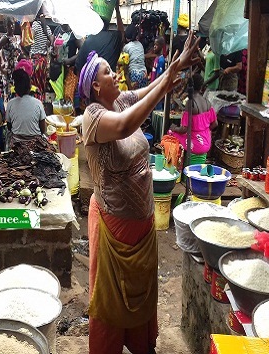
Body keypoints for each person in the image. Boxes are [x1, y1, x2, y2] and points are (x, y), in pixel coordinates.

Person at [78, 31, 200, 354]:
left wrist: (177, 68)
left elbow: (150, 93)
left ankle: (139, 344)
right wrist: (166, 79)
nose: (115, 74)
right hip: (114, 228)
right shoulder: (93, 117)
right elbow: (124, 127)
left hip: (142, 228)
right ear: (94, 86)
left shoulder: (120, 99)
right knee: (110, 302)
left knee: (140, 297)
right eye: (108, 72)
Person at [168, 73, 218, 163]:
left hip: (195, 144)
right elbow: (215, 124)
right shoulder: (207, 102)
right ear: (201, 87)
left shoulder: (190, 103)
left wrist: (174, 128)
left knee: (171, 133)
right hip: (206, 141)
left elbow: (184, 129)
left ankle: (177, 168)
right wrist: (204, 130)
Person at [75, 0, 124, 75]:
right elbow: (122, 33)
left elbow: (78, 71)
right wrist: (117, 10)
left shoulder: (88, 41)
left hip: (92, 85)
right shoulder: (113, 38)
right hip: (109, 83)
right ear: (108, 24)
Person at [6, 64, 46, 149]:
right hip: (36, 146)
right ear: (30, 87)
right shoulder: (38, 103)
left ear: (15, 89)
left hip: (17, 145)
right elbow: (43, 130)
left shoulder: (10, 103)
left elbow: (9, 127)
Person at [0, 16, 21, 100]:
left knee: (16, 93)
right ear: (5, 26)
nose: (11, 26)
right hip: (8, 70)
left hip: (16, 69)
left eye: (13, 24)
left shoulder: (16, 38)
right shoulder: (4, 39)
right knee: (9, 94)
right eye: (9, 24)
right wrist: (1, 69)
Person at [29, 12, 53, 96]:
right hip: (43, 62)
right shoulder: (48, 28)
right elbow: (52, 41)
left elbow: (30, 39)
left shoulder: (35, 24)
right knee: (42, 85)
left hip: (35, 60)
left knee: (34, 85)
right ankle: (40, 101)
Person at [123, 24, 147, 89]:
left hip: (134, 74)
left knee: (133, 96)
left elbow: (124, 61)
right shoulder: (140, 44)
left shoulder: (126, 47)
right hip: (144, 73)